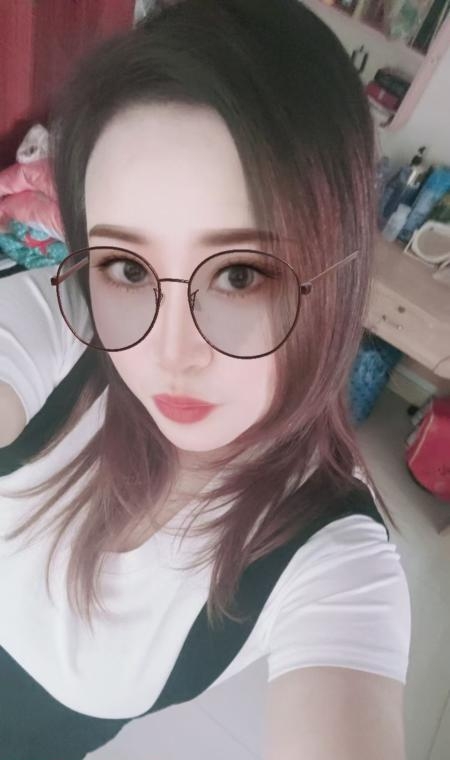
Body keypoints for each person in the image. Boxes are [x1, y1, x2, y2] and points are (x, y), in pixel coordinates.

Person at [0, 1, 411, 758]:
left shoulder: (333, 561)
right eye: (128, 268)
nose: (171, 352)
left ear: (339, 273)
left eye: (240, 275)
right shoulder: (58, 325)